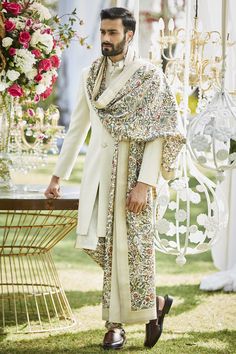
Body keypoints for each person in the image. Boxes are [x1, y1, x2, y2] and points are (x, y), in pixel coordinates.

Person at [45, 7, 185, 350]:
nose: (106, 39)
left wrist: (145, 182)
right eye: (103, 32)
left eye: (112, 33)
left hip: (134, 174)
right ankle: (154, 305)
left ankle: (115, 326)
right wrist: (57, 175)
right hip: (98, 177)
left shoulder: (149, 76)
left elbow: (160, 132)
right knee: (106, 250)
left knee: (133, 250)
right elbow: (76, 128)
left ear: (129, 35)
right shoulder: (90, 74)